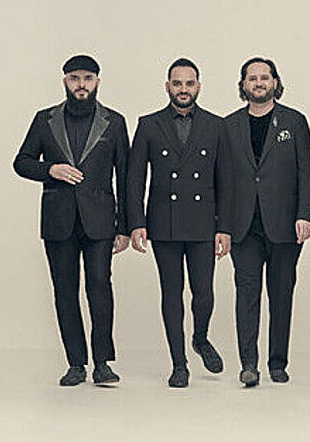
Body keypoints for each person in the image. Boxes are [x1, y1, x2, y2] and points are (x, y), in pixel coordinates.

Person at [13, 55, 129, 386]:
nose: (81, 84)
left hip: (100, 221)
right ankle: (76, 364)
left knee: (100, 288)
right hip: (58, 221)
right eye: (75, 78)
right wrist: (50, 169)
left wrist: (124, 227)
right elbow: (21, 162)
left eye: (88, 78)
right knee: (65, 292)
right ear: (65, 81)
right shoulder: (44, 120)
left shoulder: (114, 122)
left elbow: (126, 176)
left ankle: (103, 363)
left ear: (97, 82)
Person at [127, 58, 232, 388]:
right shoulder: (148, 124)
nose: (183, 89)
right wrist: (136, 222)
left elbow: (226, 181)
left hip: (203, 224)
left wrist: (224, 227)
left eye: (189, 83)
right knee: (171, 294)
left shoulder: (216, 125)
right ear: (167, 87)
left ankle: (200, 338)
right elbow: (134, 179)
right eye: (177, 83)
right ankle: (179, 363)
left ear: (198, 86)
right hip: (164, 223)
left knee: (204, 294)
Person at [225, 57, 310, 387]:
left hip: (285, 225)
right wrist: (222, 225)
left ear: (275, 82)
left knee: (281, 295)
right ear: (243, 85)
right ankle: (248, 364)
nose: (259, 83)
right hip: (243, 227)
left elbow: (308, 172)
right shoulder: (229, 125)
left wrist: (305, 214)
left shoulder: (295, 121)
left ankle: (278, 362)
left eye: (265, 77)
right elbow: (222, 179)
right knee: (246, 294)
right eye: (252, 78)